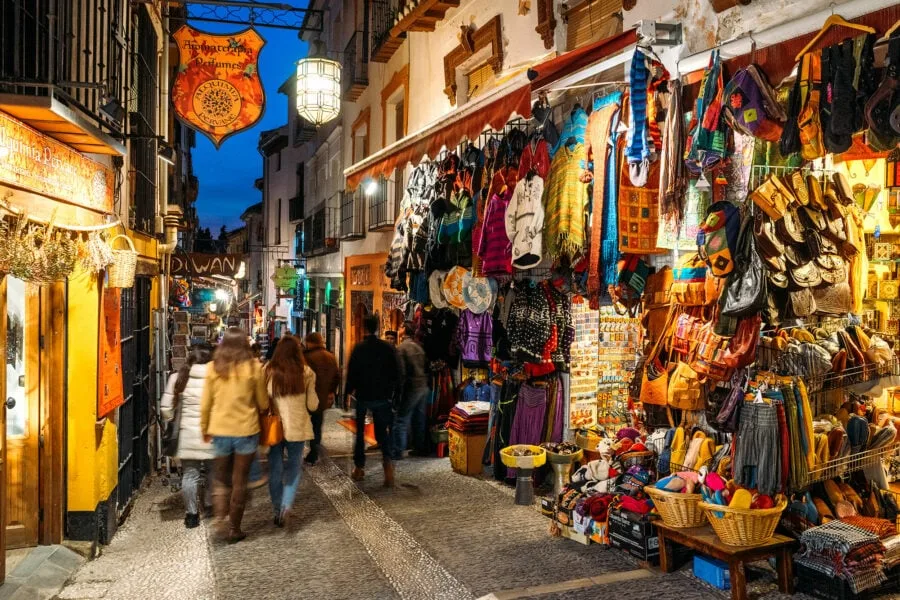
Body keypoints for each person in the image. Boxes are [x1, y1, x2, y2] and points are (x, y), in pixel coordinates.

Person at [200, 328, 268, 543]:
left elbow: (206, 403)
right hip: (246, 430)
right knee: (240, 481)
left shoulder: (213, 368)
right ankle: (234, 528)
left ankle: (219, 518)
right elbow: (263, 402)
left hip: (220, 429)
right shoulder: (254, 368)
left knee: (220, 478)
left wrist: (204, 428)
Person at [265, 336, 319, 526]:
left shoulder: (269, 370)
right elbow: (313, 405)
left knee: (275, 468)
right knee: (294, 468)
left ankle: (277, 509)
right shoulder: (306, 372)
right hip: (297, 426)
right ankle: (287, 505)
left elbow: (264, 400)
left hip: (275, 427)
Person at [160, 345, 215, 529]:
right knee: (211, 472)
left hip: (187, 436)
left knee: (190, 474)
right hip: (211, 435)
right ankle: (209, 506)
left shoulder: (178, 378)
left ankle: (191, 515)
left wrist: (173, 421)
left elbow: (165, 409)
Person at [345, 315, 401, 486]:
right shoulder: (387, 348)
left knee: (360, 433)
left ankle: (359, 467)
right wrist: (395, 394)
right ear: (377, 327)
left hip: (363, 395)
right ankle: (388, 468)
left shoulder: (359, 348)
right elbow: (397, 372)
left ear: (364, 327)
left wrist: (347, 392)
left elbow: (352, 372)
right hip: (383, 396)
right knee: (382, 432)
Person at [392, 321, 429, 460]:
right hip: (423, 385)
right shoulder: (417, 347)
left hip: (411, 387)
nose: (399, 328)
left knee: (401, 419)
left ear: (404, 330)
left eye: (400, 326)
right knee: (419, 419)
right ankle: (420, 447)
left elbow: (401, 372)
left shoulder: (402, 348)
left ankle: (397, 450)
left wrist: (398, 391)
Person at [303, 332, 340, 465]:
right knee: (317, 425)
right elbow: (337, 376)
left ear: (310, 342)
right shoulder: (331, 357)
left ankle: (302, 451)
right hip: (323, 397)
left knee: (303, 424)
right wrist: (331, 392)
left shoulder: (306, 357)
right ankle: (314, 452)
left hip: (307, 397)